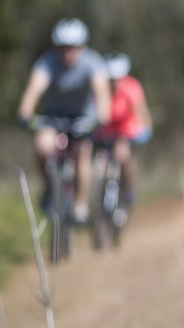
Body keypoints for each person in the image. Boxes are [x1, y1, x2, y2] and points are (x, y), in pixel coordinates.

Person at [16, 18, 112, 224]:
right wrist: (25, 112)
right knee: (43, 145)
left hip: (83, 118)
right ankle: (50, 187)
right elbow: (35, 88)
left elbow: (102, 92)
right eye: (63, 48)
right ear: (56, 47)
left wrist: (102, 115)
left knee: (82, 151)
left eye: (73, 48)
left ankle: (80, 205)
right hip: (54, 117)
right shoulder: (47, 63)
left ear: (82, 46)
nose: (68, 53)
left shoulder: (92, 62)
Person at [93, 52, 153, 211]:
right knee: (99, 165)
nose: (114, 83)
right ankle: (98, 200)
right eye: (111, 79)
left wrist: (146, 130)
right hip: (105, 133)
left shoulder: (132, 87)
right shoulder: (100, 89)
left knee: (123, 153)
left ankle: (129, 187)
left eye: (118, 78)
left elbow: (142, 113)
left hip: (128, 131)